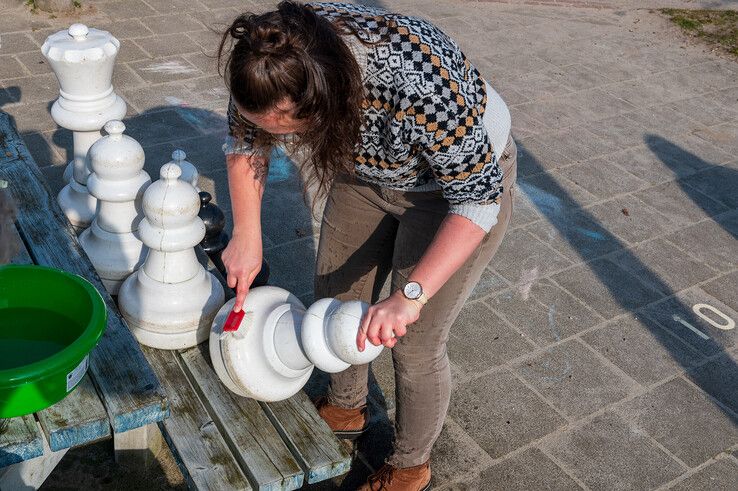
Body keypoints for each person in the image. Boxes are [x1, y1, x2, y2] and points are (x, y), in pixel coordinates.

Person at [218, 2, 515, 490]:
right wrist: (247, 235)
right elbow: (246, 140)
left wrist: (409, 296)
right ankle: (347, 405)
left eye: (286, 131)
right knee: (335, 293)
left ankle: (410, 465)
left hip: (456, 191)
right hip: (365, 172)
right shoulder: (269, 60)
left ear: (323, 98)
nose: (277, 139)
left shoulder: (418, 81)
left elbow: (477, 201)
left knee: (413, 342)